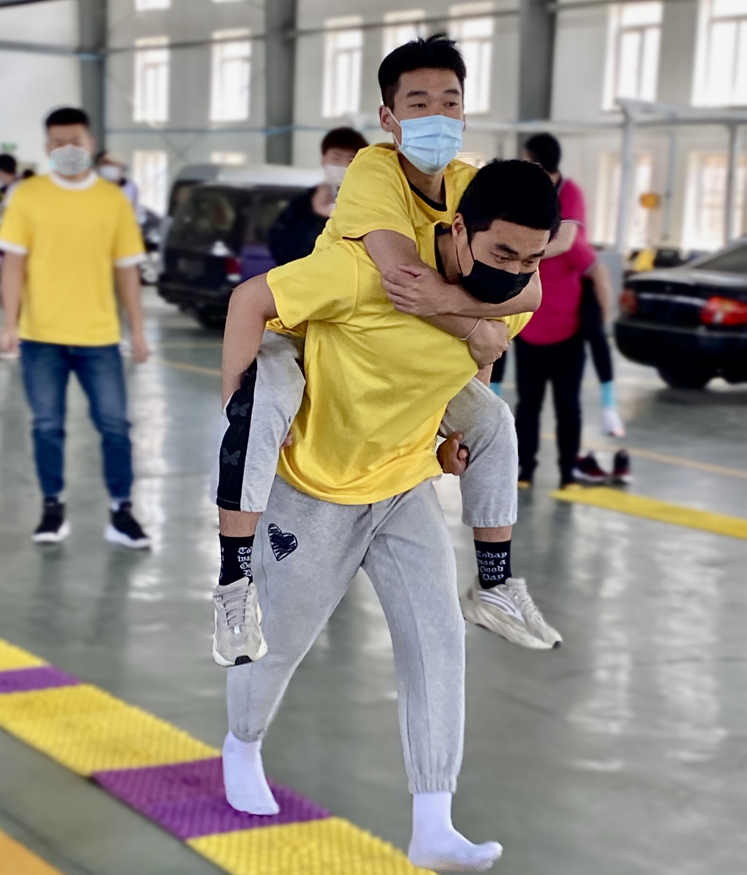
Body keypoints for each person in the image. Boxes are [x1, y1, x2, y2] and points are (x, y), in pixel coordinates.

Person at [218, 161, 560, 873]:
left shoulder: (509, 301)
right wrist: (239, 412)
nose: (515, 273)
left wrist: (448, 436)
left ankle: (434, 823)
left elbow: (469, 369)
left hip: (404, 486)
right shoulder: (358, 272)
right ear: (458, 229)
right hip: (317, 485)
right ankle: (241, 744)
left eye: (531, 260)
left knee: (438, 644)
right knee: (279, 642)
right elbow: (249, 300)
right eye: (502, 253)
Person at [212, 36, 559, 668]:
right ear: (389, 116)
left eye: (450, 101)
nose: (438, 116)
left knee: (493, 421)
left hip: (405, 352)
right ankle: (234, 584)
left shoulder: (470, 184)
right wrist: (475, 322)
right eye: (418, 103)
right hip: (310, 331)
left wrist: (462, 392)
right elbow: (405, 281)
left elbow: (525, 287)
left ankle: (496, 584)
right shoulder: (375, 172)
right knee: (260, 406)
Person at [0, 107, 152, 548]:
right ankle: (52, 508)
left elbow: (127, 271)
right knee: (47, 426)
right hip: (40, 336)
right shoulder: (28, 196)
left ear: (90, 142)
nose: (67, 149)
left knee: (115, 426)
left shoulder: (112, 200)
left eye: (75, 141)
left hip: (99, 337)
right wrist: (8, 323)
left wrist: (138, 330)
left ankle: (121, 512)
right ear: (47, 146)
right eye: (58, 142)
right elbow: (12, 265)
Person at [523, 133, 627, 440]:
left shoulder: (570, 194)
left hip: (575, 285)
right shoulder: (531, 194)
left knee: (595, 336)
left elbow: (568, 243)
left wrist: (604, 318)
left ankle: (609, 406)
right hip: (539, 301)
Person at [268, 127, 369, 266]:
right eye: (336, 158)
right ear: (323, 159)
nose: (343, 165)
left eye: (351, 159)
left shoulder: (368, 203)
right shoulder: (301, 204)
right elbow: (283, 251)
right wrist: (316, 215)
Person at [95, 151, 142, 221]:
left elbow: (135, 213)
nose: (108, 168)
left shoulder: (131, 187)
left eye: (111, 164)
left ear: (121, 167)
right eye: (104, 164)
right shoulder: (95, 187)